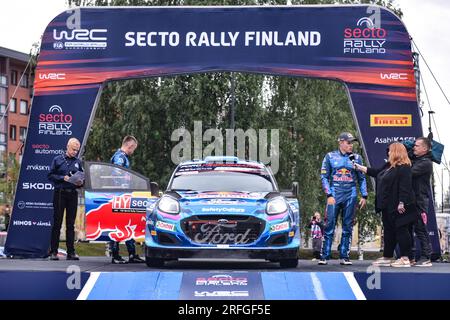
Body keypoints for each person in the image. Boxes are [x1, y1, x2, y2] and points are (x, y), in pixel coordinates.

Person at [356, 142, 418, 267]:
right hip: (387, 206)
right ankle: (388, 256)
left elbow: (405, 187)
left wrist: (402, 202)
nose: (388, 153)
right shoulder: (389, 166)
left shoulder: (404, 166)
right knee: (389, 231)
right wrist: (359, 167)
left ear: (396, 151)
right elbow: (376, 172)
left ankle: (406, 258)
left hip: (400, 206)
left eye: (390, 150)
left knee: (402, 230)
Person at [319, 132, 368, 265]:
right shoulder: (330, 156)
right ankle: (324, 255)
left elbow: (362, 178)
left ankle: (344, 255)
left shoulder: (357, 158)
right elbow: (324, 177)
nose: (351, 145)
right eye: (348, 142)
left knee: (348, 226)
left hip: (350, 194)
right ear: (341, 142)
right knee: (329, 224)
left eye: (352, 143)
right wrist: (328, 194)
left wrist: (364, 195)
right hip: (334, 193)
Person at [109, 135, 144, 264]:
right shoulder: (120, 157)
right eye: (133, 149)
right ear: (130, 146)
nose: (133, 151)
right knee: (118, 225)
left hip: (123, 196)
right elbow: (116, 174)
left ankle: (132, 254)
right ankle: (115, 255)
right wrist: (124, 188)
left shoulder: (123, 157)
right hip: (119, 196)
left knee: (127, 225)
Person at [48, 138, 84, 261]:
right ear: (67, 146)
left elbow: (82, 178)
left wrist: (80, 182)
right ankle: (53, 252)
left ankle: (71, 252)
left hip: (73, 194)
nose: (75, 152)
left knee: (70, 224)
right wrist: (62, 178)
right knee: (57, 223)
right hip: (60, 193)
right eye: (73, 149)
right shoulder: (57, 159)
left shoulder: (78, 162)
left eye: (77, 150)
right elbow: (50, 175)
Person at [409, 137, 433, 266]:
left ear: (425, 148)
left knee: (420, 228)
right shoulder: (417, 160)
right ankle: (410, 256)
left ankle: (426, 256)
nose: (414, 148)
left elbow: (409, 172)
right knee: (409, 228)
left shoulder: (426, 163)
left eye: (417, 146)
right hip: (411, 199)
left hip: (420, 201)